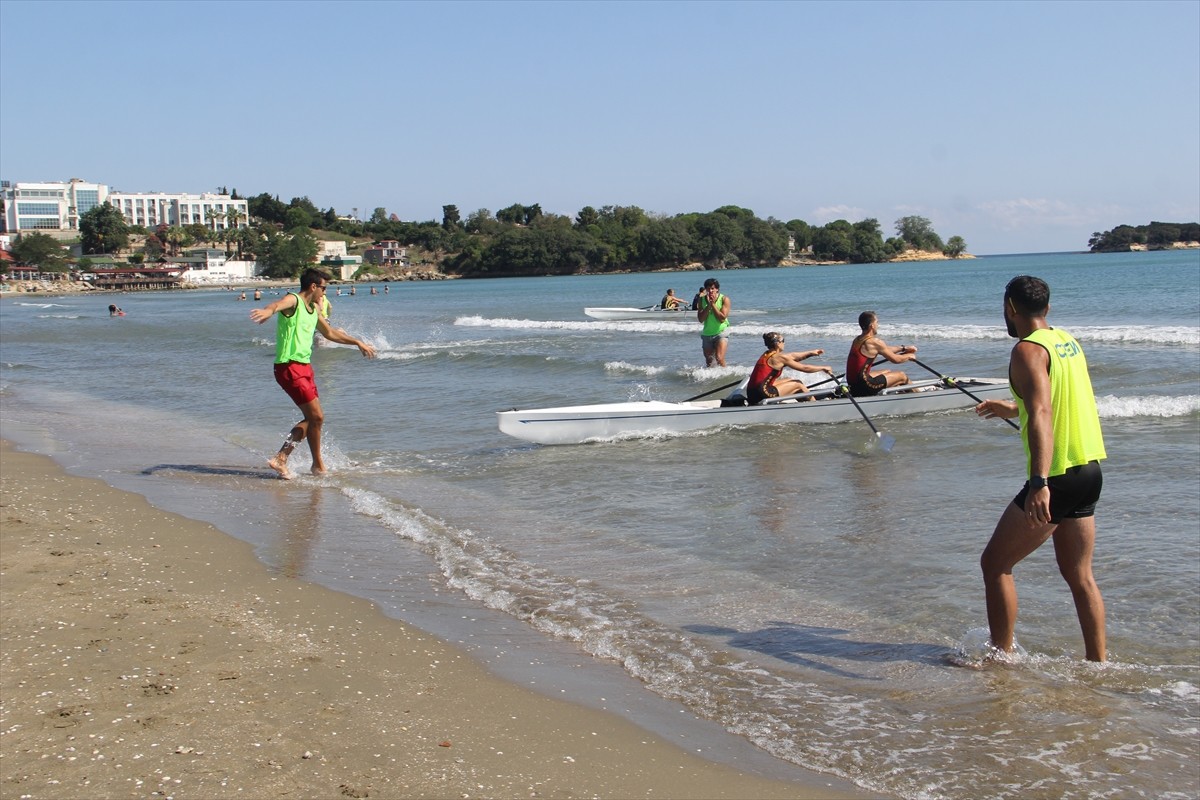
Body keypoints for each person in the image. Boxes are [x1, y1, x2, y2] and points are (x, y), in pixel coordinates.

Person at [974, 275, 1108, 662]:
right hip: (1089, 471)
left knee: (995, 563)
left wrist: (1039, 482)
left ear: (1010, 308)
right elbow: (1053, 399)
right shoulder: (1066, 341)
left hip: (1057, 476)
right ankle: (1098, 665)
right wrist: (1012, 406)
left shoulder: (1026, 351)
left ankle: (1001, 658)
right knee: (1080, 576)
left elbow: (1044, 413)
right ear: (1046, 308)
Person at [249, 268, 376, 480]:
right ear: (313, 286)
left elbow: (330, 333)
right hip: (289, 366)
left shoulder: (313, 310)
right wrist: (268, 311)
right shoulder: (294, 301)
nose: (325, 293)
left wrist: (356, 342)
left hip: (304, 367)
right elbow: (277, 305)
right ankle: (283, 458)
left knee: (315, 418)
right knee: (316, 416)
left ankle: (316, 465)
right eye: (324, 288)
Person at [747, 332, 834, 404]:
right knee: (798, 384)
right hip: (762, 394)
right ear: (777, 343)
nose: (784, 343)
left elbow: (793, 356)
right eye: (783, 341)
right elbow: (805, 368)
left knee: (789, 380)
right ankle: (815, 407)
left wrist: (811, 353)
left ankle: (804, 403)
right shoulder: (779, 358)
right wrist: (823, 368)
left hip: (752, 393)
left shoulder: (767, 354)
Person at [845, 310, 917, 396]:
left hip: (853, 385)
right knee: (902, 376)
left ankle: (897, 393)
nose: (878, 325)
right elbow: (896, 360)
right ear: (872, 326)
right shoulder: (874, 342)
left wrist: (903, 348)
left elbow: (885, 349)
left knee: (887, 371)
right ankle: (920, 397)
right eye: (877, 322)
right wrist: (909, 356)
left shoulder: (857, 339)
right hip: (864, 387)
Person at [696, 278, 731, 367]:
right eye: (708, 288)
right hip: (707, 333)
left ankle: (724, 375)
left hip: (721, 332)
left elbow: (722, 318)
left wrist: (713, 304)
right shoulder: (702, 300)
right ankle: (711, 378)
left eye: (712, 288)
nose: (710, 291)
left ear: (717, 289)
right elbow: (701, 319)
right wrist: (708, 305)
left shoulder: (724, 299)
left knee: (719, 358)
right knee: (709, 361)